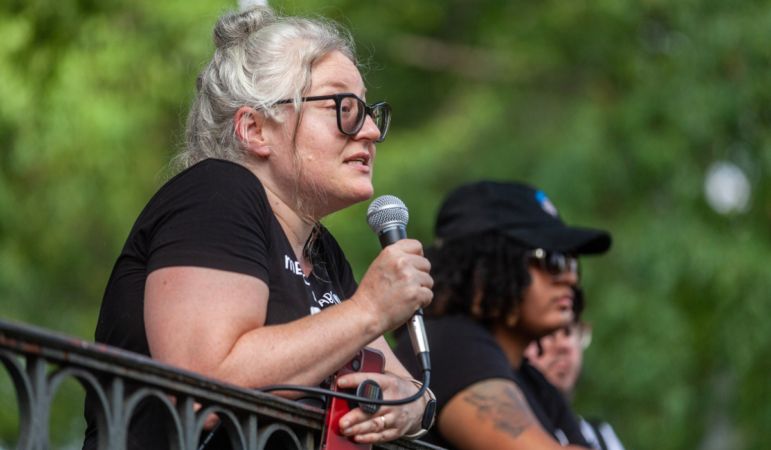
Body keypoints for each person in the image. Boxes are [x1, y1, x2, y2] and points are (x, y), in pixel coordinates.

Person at [82, 5, 435, 450]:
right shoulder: (217, 193)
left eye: (368, 110)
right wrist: (369, 310)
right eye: (344, 106)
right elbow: (203, 385)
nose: (368, 130)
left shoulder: (323, 253)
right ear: (255, 129)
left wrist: (411, 407)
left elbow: (407, 387)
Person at [393, 180, 612, 450]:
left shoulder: (534, 382)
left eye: (572, 263)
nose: (569, 277)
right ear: (486, 268)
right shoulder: (448, 346)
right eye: (552, 260)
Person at [524, 322, 626, 450]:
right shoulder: (504, 432)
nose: (564, 345)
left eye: (570, 332)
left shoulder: (602, 437)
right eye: (548, 333)